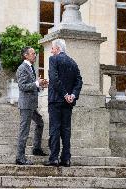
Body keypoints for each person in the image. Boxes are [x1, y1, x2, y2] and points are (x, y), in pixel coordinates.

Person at [44, 39, 83, 167]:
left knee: (54, 129)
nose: (51, 51)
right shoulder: (73, 62)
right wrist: (72, 95)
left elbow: (54, 79)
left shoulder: (53, 59)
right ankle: (66, 158)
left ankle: (54, 158)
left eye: (53, 48)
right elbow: (79, 81)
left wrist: (65, 94)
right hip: (68, 102)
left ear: (58, 49)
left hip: (56, 99)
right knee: (66, 130)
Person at [15, 46, 48, 165]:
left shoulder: (30, 67)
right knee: (24, 130)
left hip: (32, 104)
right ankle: (20, 157)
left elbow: (32, 85)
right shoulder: (22, 68)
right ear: (26, 55)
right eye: (33, 53)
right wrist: (36, 83)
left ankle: (36, 148)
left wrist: (40, 85)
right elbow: (22, 86)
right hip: (26, 104)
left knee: (40, 123)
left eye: (35, 53)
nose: (35, 55)